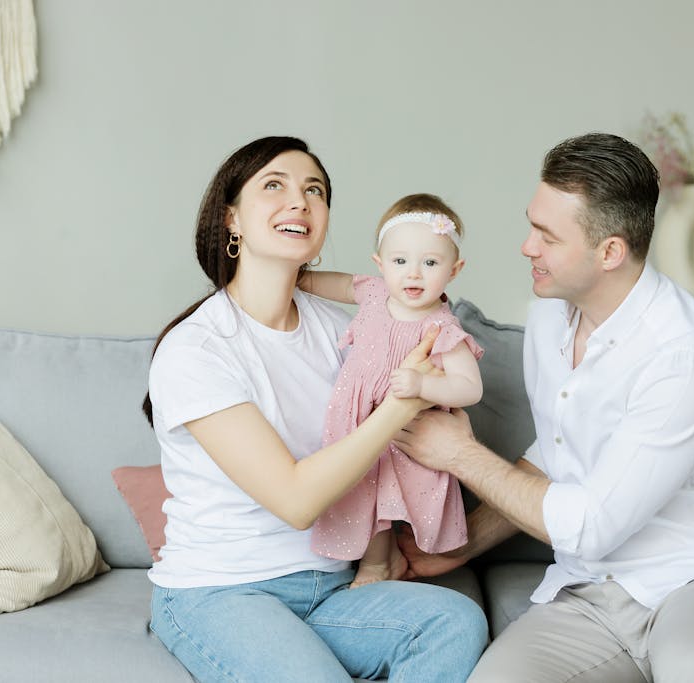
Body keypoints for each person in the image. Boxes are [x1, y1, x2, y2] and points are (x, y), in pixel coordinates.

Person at [394, 133, 694, 682]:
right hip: (587, 595)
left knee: (693, 670)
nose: (527, 247)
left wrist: (461, 455)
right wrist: (460, 547)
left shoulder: (683, 359)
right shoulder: (549, 316)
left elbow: (592, 526)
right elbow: (555, 456)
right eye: (532, 225)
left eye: (547, 237)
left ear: (610, 252)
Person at [142, 136, 487, 683]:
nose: (299, 201)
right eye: (274, 186)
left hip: (329, 588)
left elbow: (421, 424)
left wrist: (443, 407)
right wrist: (404, 404)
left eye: (314, 191)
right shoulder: (197, 349)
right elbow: (296, 501)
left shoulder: (343, 329)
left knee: (454, 622)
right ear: (231, 218)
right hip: (222, 591)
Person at [299, 193, 483, 588]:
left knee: (387, 500)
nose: (413, 274)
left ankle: (379, 565)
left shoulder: (441, 327)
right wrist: (295, 277)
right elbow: (338, 283)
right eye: (400, 262)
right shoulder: (374, 292)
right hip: (357, 423)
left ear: (454, 269)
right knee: (360, 491)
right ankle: (378, 561)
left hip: (404, 435)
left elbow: (470, 388)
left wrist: (423, 384)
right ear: (380, 266)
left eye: (430, 263)